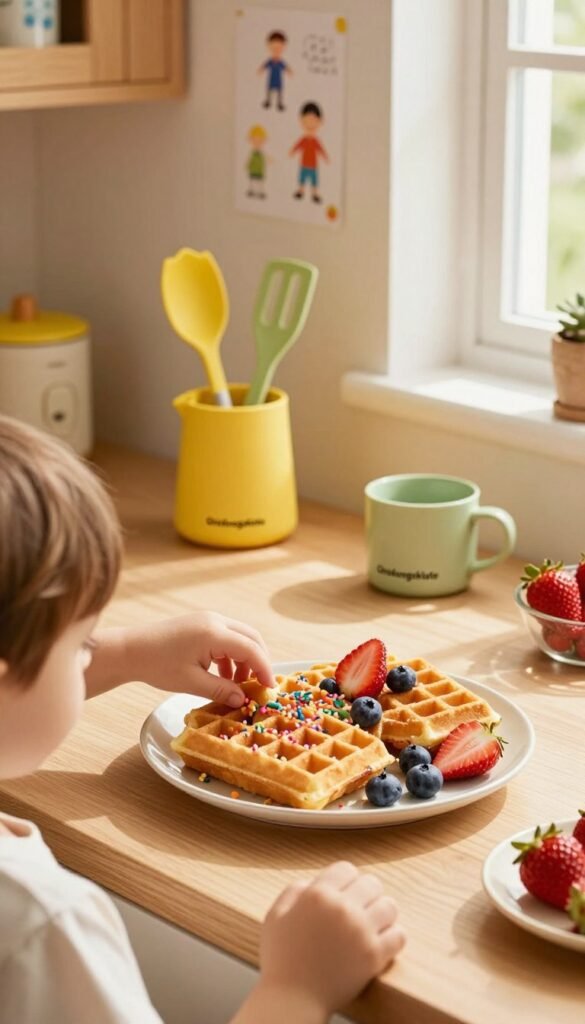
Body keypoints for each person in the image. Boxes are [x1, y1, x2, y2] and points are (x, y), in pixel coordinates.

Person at [0, 415, 405, 1024]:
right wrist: (296, 990)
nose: (92, 652)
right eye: (83, 643)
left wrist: (126, 654)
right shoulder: (41, 925)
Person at [289, 101, 329, 204]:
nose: (310, 124)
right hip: (303, 164)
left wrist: (325, 157)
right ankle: (301, 191)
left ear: (320, 122)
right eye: (307, 120)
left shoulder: (316, 141)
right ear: (301, 121)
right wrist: (292, 152)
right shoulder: (303, 140)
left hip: (313, 165)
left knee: (314, 181)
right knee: (302, 179)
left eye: (313, 120)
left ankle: (314, 194)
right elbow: (297, 146)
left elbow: (321, 150)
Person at [257, 30, 292, 111]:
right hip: (271, 78)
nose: (276, 49)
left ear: (283, 47)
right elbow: (265, 66)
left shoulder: (280, 62)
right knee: (269, 90)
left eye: (279, 48)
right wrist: (261, 70)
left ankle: (279, 103)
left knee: (279, 91)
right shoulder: (270, 61)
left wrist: (289, 71)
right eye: (274, 48)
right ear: (269, 46)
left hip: (278, 79)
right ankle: (268, 101)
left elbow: (285, 67)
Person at [246, 124, 269, 199]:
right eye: (255, 140)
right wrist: (248, 165)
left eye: (260, 140)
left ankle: (260, 192)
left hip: (259, 170)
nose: (257, 142)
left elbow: (265, 158)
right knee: (252, 180)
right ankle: (252, 190)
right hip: (253, 169)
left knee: (259, 181)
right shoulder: (252, 153)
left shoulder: (262, 153)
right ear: (251, 140)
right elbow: (249, 160)